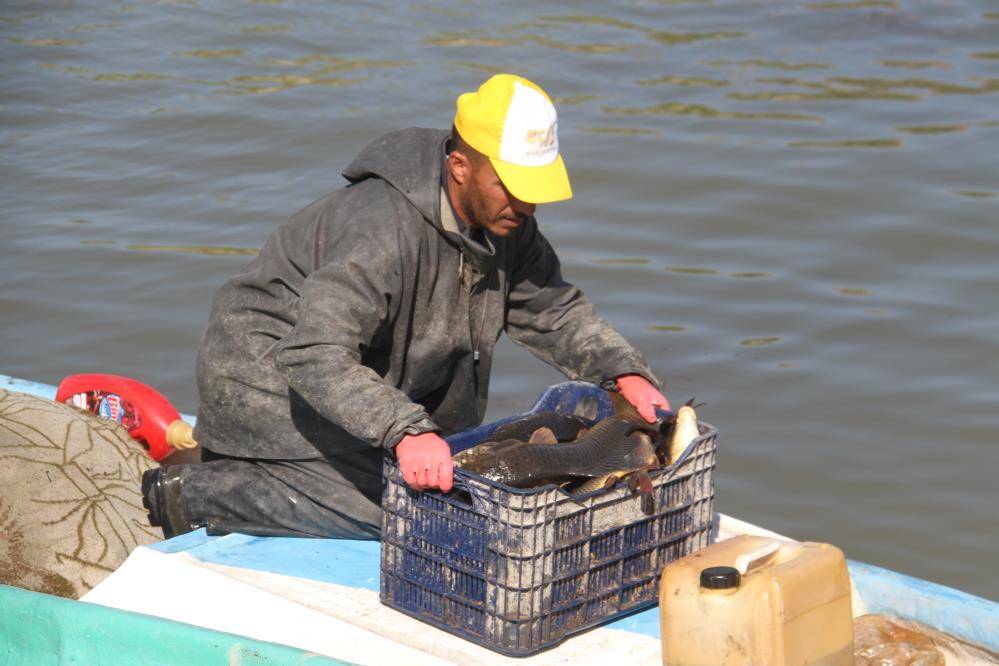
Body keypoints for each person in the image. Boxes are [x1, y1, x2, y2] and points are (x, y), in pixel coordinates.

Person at [142, 74, 669, 540]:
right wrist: (405, 430)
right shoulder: (381, 229)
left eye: (535, 189)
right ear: (460, 167)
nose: (526, 205)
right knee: (403, 512)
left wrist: (624, 373)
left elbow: (554, 311)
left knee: (454, 492)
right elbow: (314, 353)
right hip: (266, 381)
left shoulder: (507, 223)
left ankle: (290, 464)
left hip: (351, 386)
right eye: (512, 187)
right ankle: (195, 492)